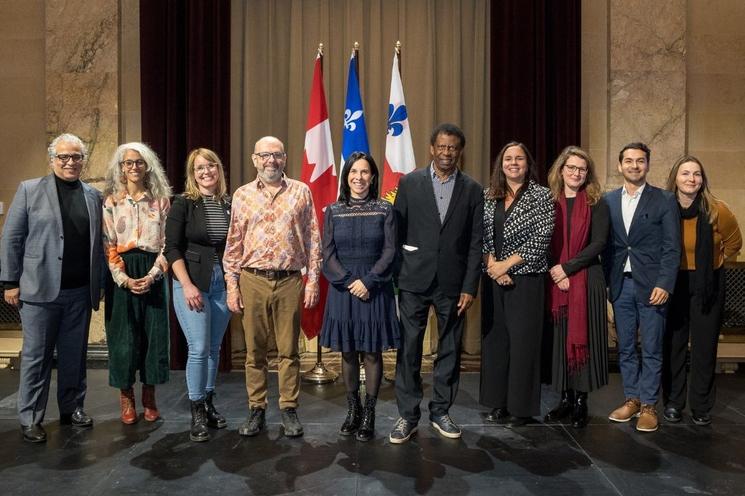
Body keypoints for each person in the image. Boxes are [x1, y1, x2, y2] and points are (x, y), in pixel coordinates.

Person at [0, 133, 104, 443]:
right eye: (64, 157)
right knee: (36, 357)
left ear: (83, 160)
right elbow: (12, 238)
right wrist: (9, 281)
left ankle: (72, 408)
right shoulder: (30, 190)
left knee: (74, 356)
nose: (70, 162)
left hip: (79, 291)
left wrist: (99, 284)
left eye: (76, 157)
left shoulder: (93, 195)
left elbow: (100, 243)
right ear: (52, 160)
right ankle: (31, 417)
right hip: (39, 292)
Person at [388, 123, 483, 444]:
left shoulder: (472, 189)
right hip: (413, 280)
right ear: (432, 148)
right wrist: (398, 276)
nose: (446, 153)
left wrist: (470, 286)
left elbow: (475, 242)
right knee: (409, 349)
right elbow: (396, 232)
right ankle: (407, 415)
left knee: (450, 349)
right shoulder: (410, 182)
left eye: (453, 148)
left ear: (460, 151)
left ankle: (441, 410)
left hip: (454, 285)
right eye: (441, 147)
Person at [223, 136, 321, 438]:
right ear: (254, 159)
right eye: (264, 155)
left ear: (285, 158)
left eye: (276, 155)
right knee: (255, 352)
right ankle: (257, 408)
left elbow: (312, 239)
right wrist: (232, 285)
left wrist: (312, 280)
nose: (271, 161)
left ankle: (289, 408)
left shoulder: (301, 192)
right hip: (251, 280)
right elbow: (233, 243)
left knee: (289, 350)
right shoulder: (241, 195)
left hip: (290, 280)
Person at [319, 152, 400, 442]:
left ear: (373, 176)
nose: (359, 177)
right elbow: (327, 254)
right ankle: (352, 411)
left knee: (371, 352)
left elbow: (391, 251)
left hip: (375, 288)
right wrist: (350, 281)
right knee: (348, 351)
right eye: (354, 172)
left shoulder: (384, 210)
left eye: (365, 172)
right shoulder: (332, 210)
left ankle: (369, 414)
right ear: (346, 176)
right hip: (343, 289)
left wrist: (368, 281)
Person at [604, 142, 681, 432]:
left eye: (640, 161)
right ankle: (632, 399)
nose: (634, 166)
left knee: (650, 347)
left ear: (648, 165)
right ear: (620, 165)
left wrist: (665, 283)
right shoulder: (608, 201)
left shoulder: (664, 200)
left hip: (652, 286)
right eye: (629, 161)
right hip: (620, 285)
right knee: (624, 346)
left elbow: (672, 248)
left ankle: (649, 405)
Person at [662, 155, 742, 426]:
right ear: (675, 177)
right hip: (673, 282)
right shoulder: (664, 208)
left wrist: (713, 264)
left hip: (708, 283)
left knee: (704, 347)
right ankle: (673, 402)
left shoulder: (717, 209)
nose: (691, 179)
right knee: (673, 345)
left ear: (702, 180)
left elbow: (734, 243)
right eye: (685, 173)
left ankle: (701, 406)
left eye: (696, 174)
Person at [480, 141, 554, 428]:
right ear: (501, 163)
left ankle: (521, 409)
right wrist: (492, 267)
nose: (513, 163)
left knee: (523, 344)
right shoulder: (489, 195)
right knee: (496, 342)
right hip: (494, 278)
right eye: (508, 158)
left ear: (527, 163)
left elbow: (540, 238)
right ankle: (498, 403)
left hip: (527, 279)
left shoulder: (541, 196)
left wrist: (506, 265)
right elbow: (482, 235)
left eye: (519, 158)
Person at [165, 148, 232, 442]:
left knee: (215, 347)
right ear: (193, 174)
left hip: (223, 282)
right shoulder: (182, 203)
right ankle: (196, 412)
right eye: (199, 168)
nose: (206, 172)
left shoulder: (229, 203)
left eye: (211, 166)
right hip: (191, 282)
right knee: (199, 346)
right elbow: (171, 247)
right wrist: (188, 284)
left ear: (219, 170)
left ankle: (208, 402)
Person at [102, 142, 172, 425]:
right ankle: (127, 396)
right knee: (124, 337)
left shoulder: (161, 200)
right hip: (123, 273)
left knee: (153, 337)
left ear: (147, 166)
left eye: (139, 162)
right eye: (128, 162)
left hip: (153, 271)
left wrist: (153, 274)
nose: (133, 167)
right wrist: (125, 280)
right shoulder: (111, 202)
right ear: (121, 167)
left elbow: (168, 244)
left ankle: (149, 397)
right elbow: (108, 245)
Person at [544, 146, 609, 428]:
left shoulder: (597, 202)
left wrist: (567, 268)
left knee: (584, 341)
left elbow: (599, 243)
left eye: (581, 169)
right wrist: (556, 272)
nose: (576, 173)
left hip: (587, 279)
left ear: (587, 173)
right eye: (571, 167)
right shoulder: (548, 201)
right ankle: (564, 399)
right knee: (560, 341)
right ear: (561, 170)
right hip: (554, 279)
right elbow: (542, 240)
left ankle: (581, 400)